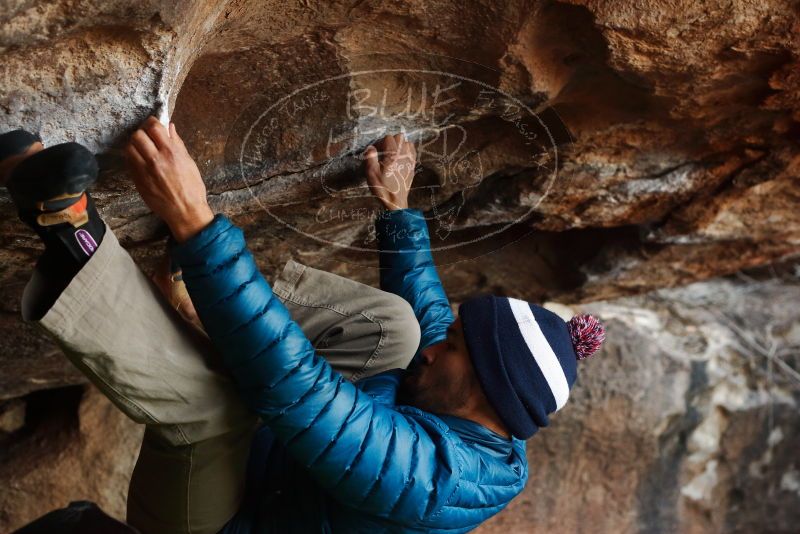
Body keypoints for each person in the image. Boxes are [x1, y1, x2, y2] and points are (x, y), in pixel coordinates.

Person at [1, 118, 605, 534]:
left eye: (451, 349)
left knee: (217, 407)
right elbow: (428, 319)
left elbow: (298, 389)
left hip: (225, 523)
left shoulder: (431, 480)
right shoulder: (491, 417)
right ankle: (195, 302)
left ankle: (66, 225)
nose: (434, 347)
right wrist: (397, 209)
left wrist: (195, 220)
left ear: (481, 390)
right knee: (394, 326)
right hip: (279, 470)